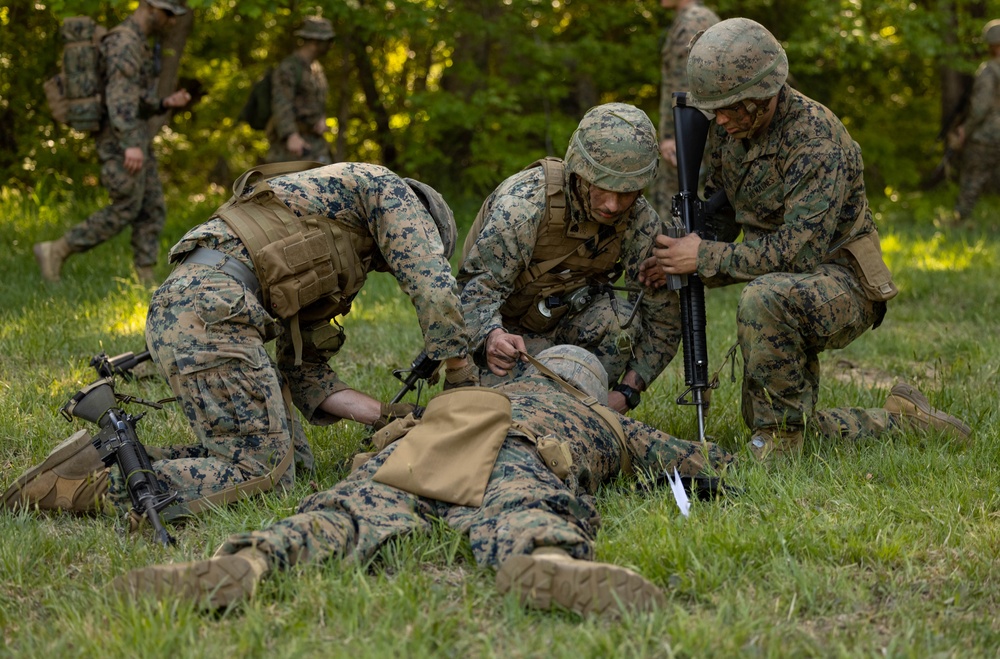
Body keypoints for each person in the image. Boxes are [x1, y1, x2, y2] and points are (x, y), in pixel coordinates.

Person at [113, 345, 735, 618]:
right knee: (523, 504)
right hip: (514, 452)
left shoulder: (482, 393)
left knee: (348, 508)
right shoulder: (601, 417)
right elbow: (699, 464)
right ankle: (548, 559)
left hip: (426, 447)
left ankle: (254, 560)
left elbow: (387, 435)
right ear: (589, 388)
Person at [4, 162, 476, 521]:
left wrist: (394, 417)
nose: (387, 269)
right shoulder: (388, 190)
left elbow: (306, 373)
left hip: (199, 310)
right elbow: (434, 288)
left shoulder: (325, 229)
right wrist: (460, 382)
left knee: (298, 465)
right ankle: (84, 485)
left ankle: (108, 455)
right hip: (209, 317)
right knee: (265, 474)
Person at [639, 18, 972, 458]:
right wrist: (677, 259)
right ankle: (898, 421)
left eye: (731, 108)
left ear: (765, 94)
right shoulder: (729, 130)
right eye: (713, 109)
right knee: (780, 412)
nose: (719, 119)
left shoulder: (816, 140)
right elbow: (723, 220)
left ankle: (779, 444)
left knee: (764, 301)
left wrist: (703, 258)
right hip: (782, 280)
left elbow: (797, 254)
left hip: (844, 280)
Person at [458, 102, 681, 414]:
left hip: (569, 329)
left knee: (619, 321)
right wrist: (491, 337)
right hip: (508, 339)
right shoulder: (524, 206)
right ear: (581, 172)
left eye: (627, 192)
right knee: (502, 414)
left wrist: (626, 393)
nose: (614, 205)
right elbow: (473, 291)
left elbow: (664, 321)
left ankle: (584, 409)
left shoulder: (640, 223)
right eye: (603, 187)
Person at [33, 0, 192, 285]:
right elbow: (118, 99)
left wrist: (163, 102)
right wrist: (130, 142)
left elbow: (131, 98)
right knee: (126, 207)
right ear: (150, 8)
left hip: (133, 136)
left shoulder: (136, 42)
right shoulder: (125, 43)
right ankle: (56, 249)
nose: (171, 22)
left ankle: (145, 279)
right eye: (167, 14)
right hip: (119, 140)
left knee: (152, 207)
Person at [650, 0, 720, 220]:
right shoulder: (695, 18)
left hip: (689, 131)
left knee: (677, 207)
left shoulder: (692, 21)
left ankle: (676, 252)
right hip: (696, 129)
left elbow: (686, 84)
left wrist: (675, 136)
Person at [266, 17, 334, 164]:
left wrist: (320, 119)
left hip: (315, 142)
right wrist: (291, 136)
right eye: (327, 41)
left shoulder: (316, 68)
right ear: (315, 41)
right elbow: (281, 103)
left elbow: (317, 99)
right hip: (293, 146)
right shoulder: (289, 68)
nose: (330, 45)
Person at [953, 19, 1000, 224]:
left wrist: (966, 130)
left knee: (973, 176)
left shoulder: (989, 71)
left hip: (988, 135)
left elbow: (981, 108)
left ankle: (960, 219)